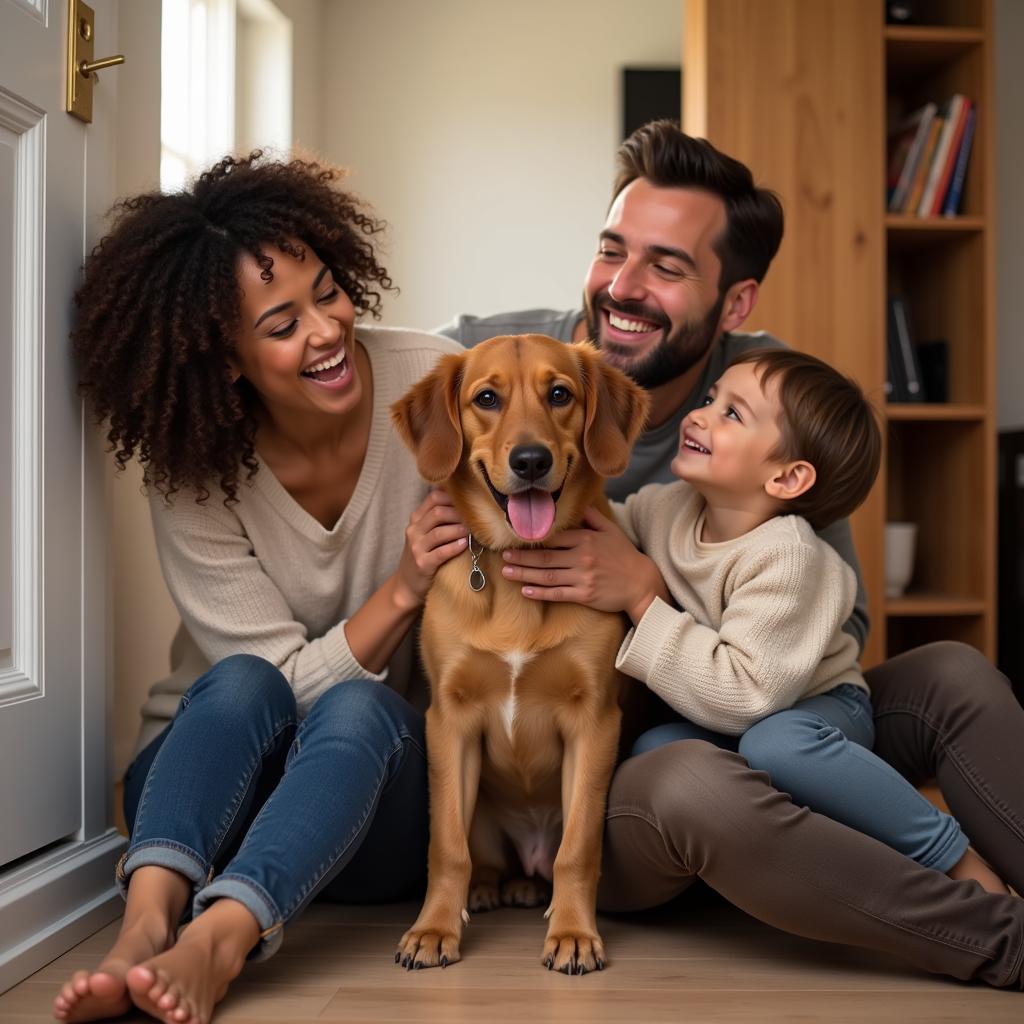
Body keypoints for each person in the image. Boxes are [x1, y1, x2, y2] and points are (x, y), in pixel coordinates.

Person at [444, 121, 1024, 985]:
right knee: (693, 781)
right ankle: (998, 940)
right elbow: (373, 375)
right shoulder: (506, 357)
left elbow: (838, 625)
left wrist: (643, 593)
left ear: (737, 303)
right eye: (613, 251)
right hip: (631, 774)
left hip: (768, 713)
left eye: (667, 267)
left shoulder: (773, 394)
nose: (623, 288)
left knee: (954, 673)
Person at [53, 152, 467, 1024]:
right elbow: (275, 686)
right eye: (282, 324)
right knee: (245, 680)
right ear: (226, 357)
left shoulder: (436, 386)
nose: (327, 330)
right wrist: (401, 589)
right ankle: (143, 930)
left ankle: (218, 943)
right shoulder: (194, 469)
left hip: (373, 799)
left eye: (328, 292)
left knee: (360, 712)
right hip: (211, 789)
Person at [562, 344, 1009, 891]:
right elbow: (602, 531)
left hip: (815, 707)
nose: (698, 415)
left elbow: (747, 695)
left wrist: (641, 604)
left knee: (781, 746)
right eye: (710, 397)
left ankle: (951, 856)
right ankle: (790, 852)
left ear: (787, 479)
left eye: (732, 413)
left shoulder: (788, 555)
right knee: (655, 755)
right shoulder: (668, 507)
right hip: (732, 722)